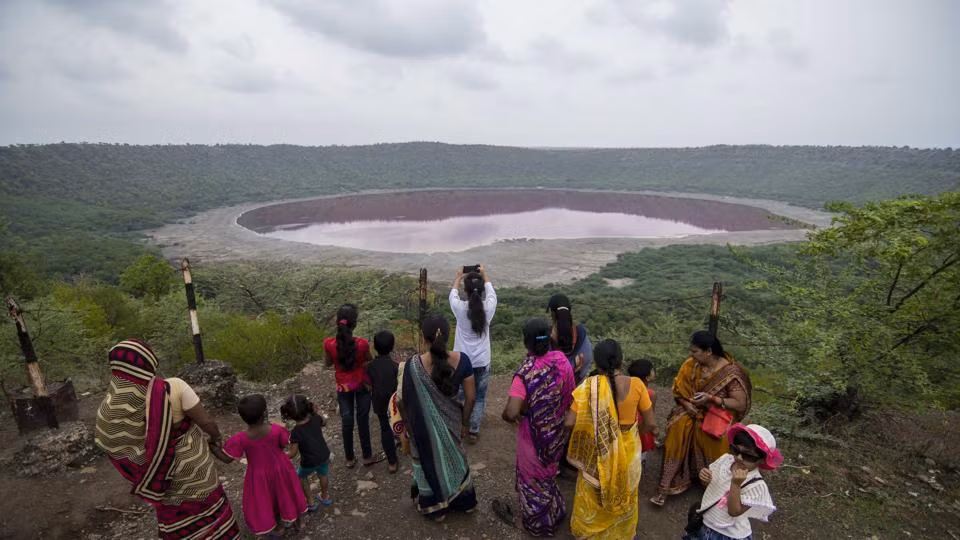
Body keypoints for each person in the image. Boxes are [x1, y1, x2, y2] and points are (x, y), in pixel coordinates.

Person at [94, 340, 240, 540]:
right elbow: (206, 422)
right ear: (149, 362)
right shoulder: (173, 387)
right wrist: (215, 437)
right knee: (208, 506)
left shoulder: (110, 408)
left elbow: (117, 449)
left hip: (160, 480)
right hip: (194, 470)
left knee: (175, 516)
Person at [565, 339, 656, 539]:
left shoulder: (589, 387)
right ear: (621, 360)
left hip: (599, 449)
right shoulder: (638, 384)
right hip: (630, 450)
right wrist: (631, 434)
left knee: (593, 490)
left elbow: (569, 423)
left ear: (597, 363)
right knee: (626, 491)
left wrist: (591, 427)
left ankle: (591, 533)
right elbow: (650, 424)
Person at [493, 318, 576, 537]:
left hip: (533, 438)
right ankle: (554, 511)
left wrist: (512, 415)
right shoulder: (562, 361)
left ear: (526, 342)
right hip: (556, 432)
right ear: (548, 338)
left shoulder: (526, 371)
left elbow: (511, 412)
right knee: (548, 473)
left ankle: (536, 526)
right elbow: (570, 396)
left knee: (532, 478)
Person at [651, 331, 752, 507]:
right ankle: (666, 486)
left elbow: (739, 404)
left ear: (709, 352)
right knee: (677, 427)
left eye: (695, 351)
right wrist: (686, 404)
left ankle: (715, 488)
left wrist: (712, 399)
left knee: (714, 438)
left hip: (716, 415)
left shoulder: (730, 372)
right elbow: (678, 391)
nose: (691, 355)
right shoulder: (691, 365)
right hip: (690, 410)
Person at [397, 313, 478, 521]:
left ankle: (436, 508)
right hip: (453, 424)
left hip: (422, 430)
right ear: (448, 337)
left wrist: (408, 428)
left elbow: (402, 402)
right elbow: (470, 397)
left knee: (426, 460)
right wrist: (465, 423)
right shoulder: (463, 361)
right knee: (456, 459)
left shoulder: (412, 366)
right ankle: (464, 502)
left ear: (424, 339)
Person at [214, 394, 307, 537]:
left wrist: (211, 447)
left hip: (258, 474)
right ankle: (299, 522)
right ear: (265, 413)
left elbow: (227, 459)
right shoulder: (276, 430)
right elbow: (283, 445)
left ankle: (276, 528)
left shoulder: (240, 439)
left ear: (243, 418)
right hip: (281, 469)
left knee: (267, 499)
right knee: (288, 493)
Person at [684, 424, 782, 540]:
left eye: (748, 455)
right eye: (736, 450)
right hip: (706, 522)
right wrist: (705, 478)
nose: (739, 457)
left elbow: (734, 512)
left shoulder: (756, 485)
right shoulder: (725, 460)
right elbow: (713, 488)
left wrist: (736, 485)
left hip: (728, 534)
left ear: (761, 460)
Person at [324, 303, 382, 468]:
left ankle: (350, 458)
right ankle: (367, 456)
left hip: (343, 387)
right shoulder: (362, 344)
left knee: (347, 420)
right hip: (362, 385)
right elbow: (369, 360)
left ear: (338, 322)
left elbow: (328, 363)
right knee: (363, 419)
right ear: (354, 324)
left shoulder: (329, 344)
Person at [449, 265, 497, 443]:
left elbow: (452, 294)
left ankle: (460, 424)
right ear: (482, 290)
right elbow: (491, 293)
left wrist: (459, 276)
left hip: (462, 361)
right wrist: (484, 273)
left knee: (461, 395)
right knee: (479, 397)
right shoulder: (488, 308)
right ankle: (474, 431)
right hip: (482, 361)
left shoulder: (460, 308)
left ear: (466, 290)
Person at [281, 394, 332, 511]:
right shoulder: (315, 418)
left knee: (301, 476)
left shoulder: (295, 432)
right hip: (324, 455)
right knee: (323, 475)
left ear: (290, 415)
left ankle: (310, 501)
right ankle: (325, 496)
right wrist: (316, 412)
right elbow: (324, 422)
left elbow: (293, 453)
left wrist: (281, 455)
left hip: (309, 461)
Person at [366, 330, 400, 473]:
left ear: (375, 347)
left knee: (384, 428)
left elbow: (368, 385)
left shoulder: (370, 366)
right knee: (397, 422)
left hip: (379, 401)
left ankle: (392, 462)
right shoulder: (395, 366)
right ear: (392, 347)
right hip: (394, 402)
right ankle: (401, 440)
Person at [547, 294, 593, 384]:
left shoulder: (546, 335)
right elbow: (588, 358)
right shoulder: (581, 333)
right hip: (577, 387)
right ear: (569, 311)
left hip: (552, 388)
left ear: (552, 313)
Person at [628, 358, 659, 464]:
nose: (654, 371)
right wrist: (654, 429)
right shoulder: (650, 394)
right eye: (652, 370)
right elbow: (650, 415)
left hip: (629, 426)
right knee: (640, 454)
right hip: (643, 428)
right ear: (648, 377)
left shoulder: (626, 389)